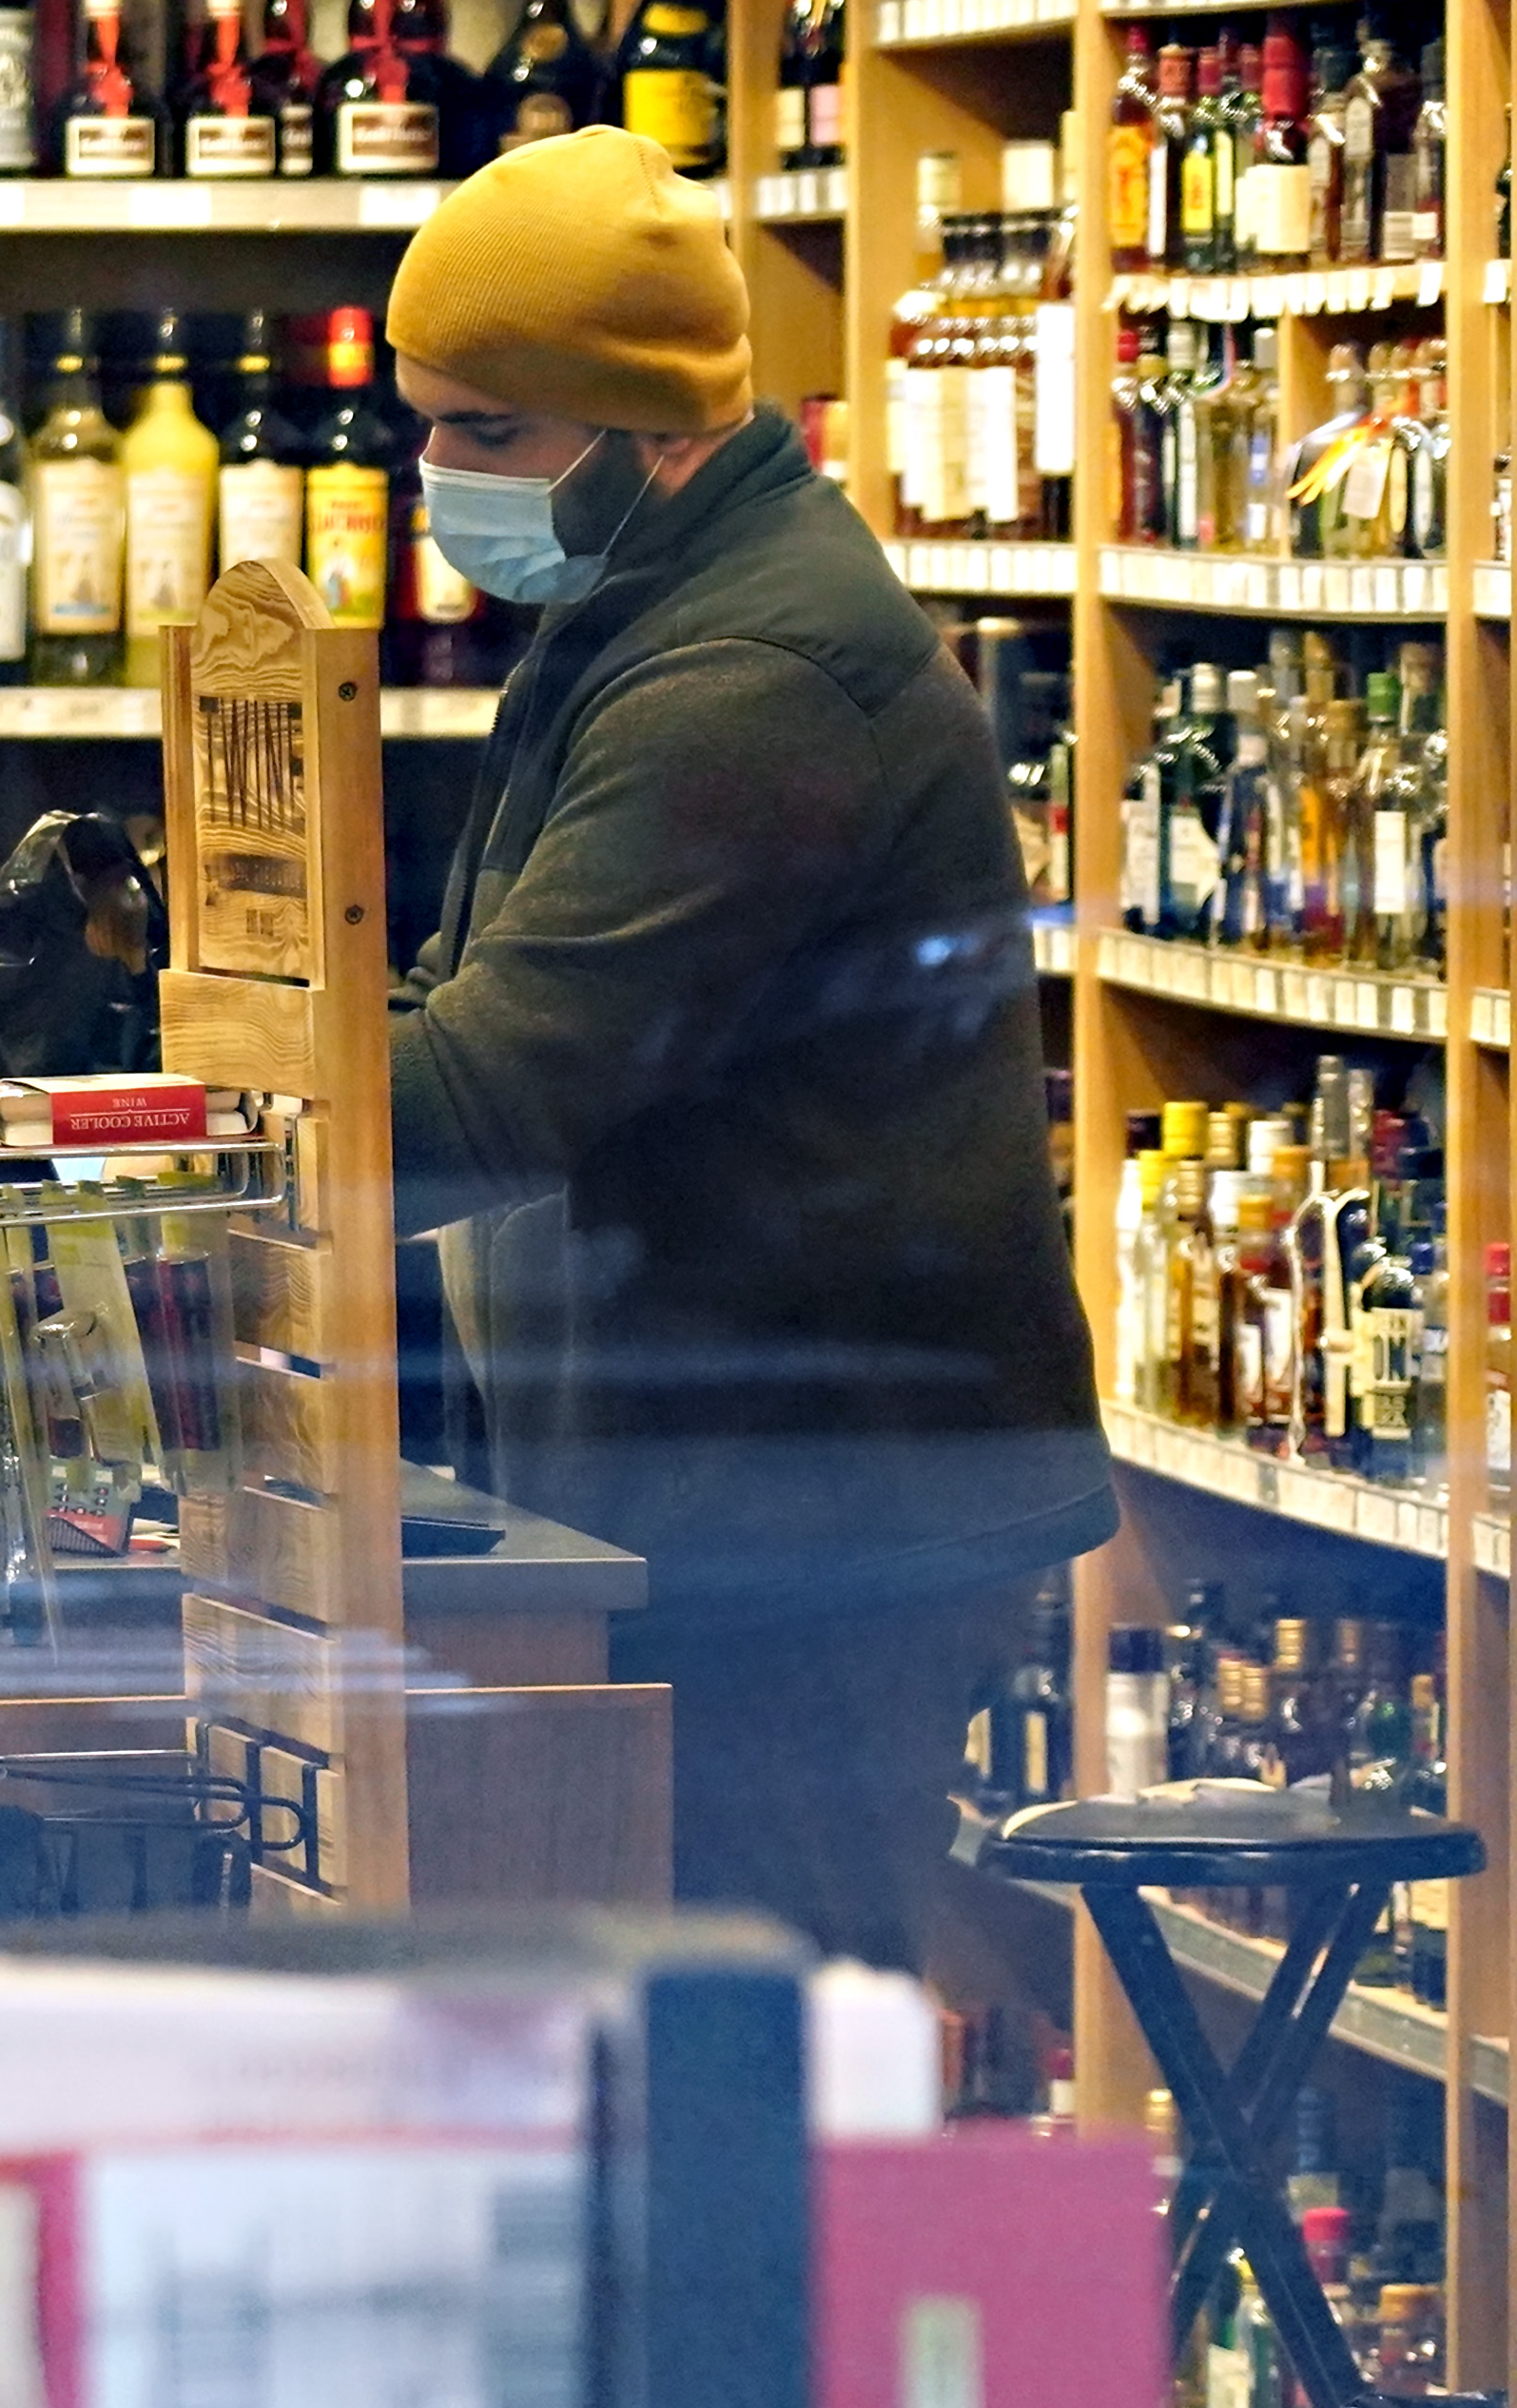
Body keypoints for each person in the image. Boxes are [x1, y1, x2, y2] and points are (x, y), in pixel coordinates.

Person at [380, 126, 1112, 1967]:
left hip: (812, 1517)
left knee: (766, 2053)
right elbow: (481, 998)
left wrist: (163, 1092)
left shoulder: (749, 680)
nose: (433, 480)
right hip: (737, 1474)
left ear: (657, 428)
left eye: (483, 434)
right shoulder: (646, 594)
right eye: (426, 426)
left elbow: (478, 1098)